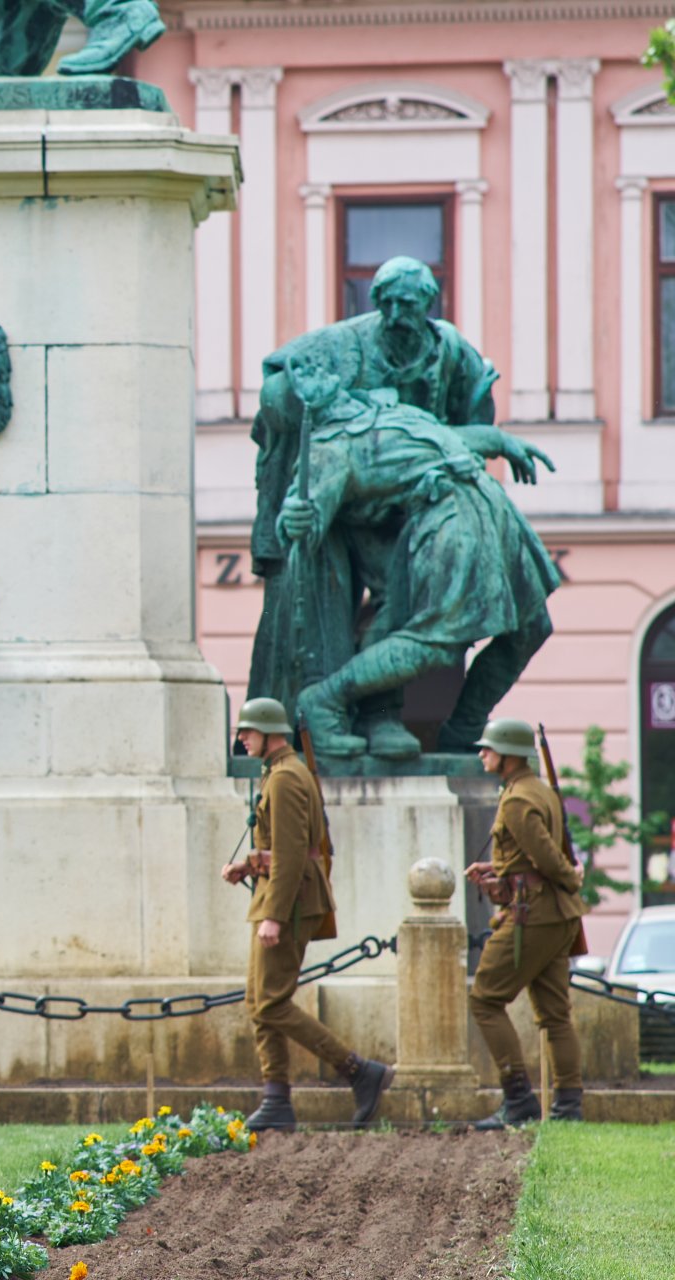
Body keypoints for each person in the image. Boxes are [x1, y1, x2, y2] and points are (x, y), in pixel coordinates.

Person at [274, 349, 558, 757]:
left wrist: (500, 441)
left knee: (532, 628)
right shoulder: (330, 448)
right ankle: (323, 700)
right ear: (301, 399)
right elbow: (304, 510)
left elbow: (450, 439)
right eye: (302, 373)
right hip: (446, 519)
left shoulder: (383, 410)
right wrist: (294, 518)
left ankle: (463, 730)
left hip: (490, 511)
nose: (315, 371)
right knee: (436, 640)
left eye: (319, 364)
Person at [221, 698, 393, 1133]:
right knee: (260, 1001)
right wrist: (249, 864)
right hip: (278, 896)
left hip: (288, 903)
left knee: (271, 1002)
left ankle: (358, 1070)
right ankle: (276, 1097)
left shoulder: (285, 778)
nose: (241, 737)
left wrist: (275, 915)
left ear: (270, 732)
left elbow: (295, 854)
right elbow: (283, 847)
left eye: (248, 731)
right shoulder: (279, 773)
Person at [465, 718, 589, 1128]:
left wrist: (572, 876)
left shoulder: (518, 799)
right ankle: (569, 1107)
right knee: (555, 1014)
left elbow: (547, 858)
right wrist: (498, 868)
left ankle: (517, 1099)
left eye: (489, 748)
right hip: (555, 915)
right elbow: (528, 856)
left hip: (533, 916)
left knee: (484, 999)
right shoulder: (540, 792)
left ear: (509, 754)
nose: (482, 753)